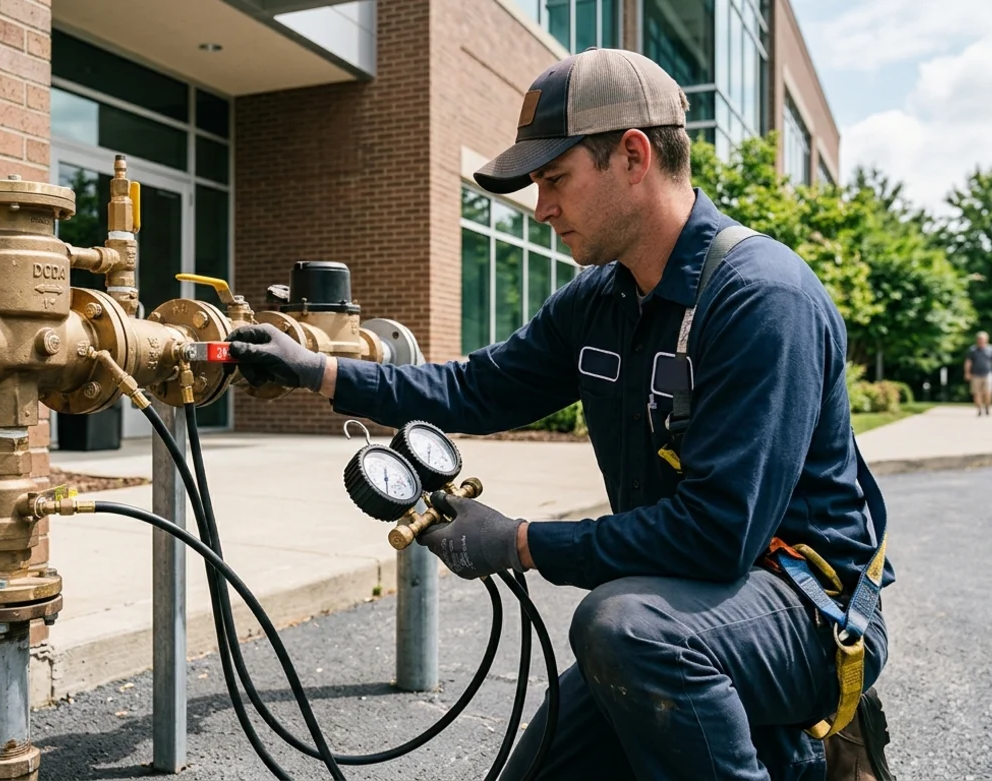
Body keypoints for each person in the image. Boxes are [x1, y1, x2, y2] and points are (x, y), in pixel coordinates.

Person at [227, 48, 894, 780]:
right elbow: (476, 388)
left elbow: (716, 536)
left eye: (554, 179)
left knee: (619, 627)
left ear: (633, 156)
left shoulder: (760, 298)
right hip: (677, 612)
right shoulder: (601, 300)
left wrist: (518, 541)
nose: (541, 207)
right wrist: (317, 369)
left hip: (800, 611)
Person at [964, 331, 992, 415]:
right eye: (979, 339)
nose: (981, 340)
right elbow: (968, 362)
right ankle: (979, 409)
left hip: (988, 373)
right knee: (976, 392)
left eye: (983, 339)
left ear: (986, 339)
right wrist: (967, 373)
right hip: (975, 374)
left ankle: (987, 407)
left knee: (989, 391)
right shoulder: (972, 350)